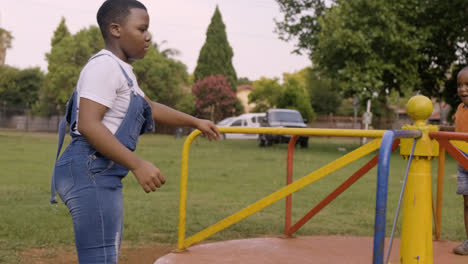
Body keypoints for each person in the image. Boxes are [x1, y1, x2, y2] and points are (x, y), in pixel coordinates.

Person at [49, 0, 220, 263]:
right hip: (89, 169)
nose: (148, 36)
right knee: (101, 258)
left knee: (106, 256)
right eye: (142, 29)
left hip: (98, 170)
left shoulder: (121, 71)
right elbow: (88, 124)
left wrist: (195, 121)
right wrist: (138, 165)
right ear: (116, 29)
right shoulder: (103, 66)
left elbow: (150, 106)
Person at [453, 65, 468, 255]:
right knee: (467, 202)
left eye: (467, 84)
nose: (463, 89)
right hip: (462, 161)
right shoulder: (459, 108)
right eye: (459, 85)